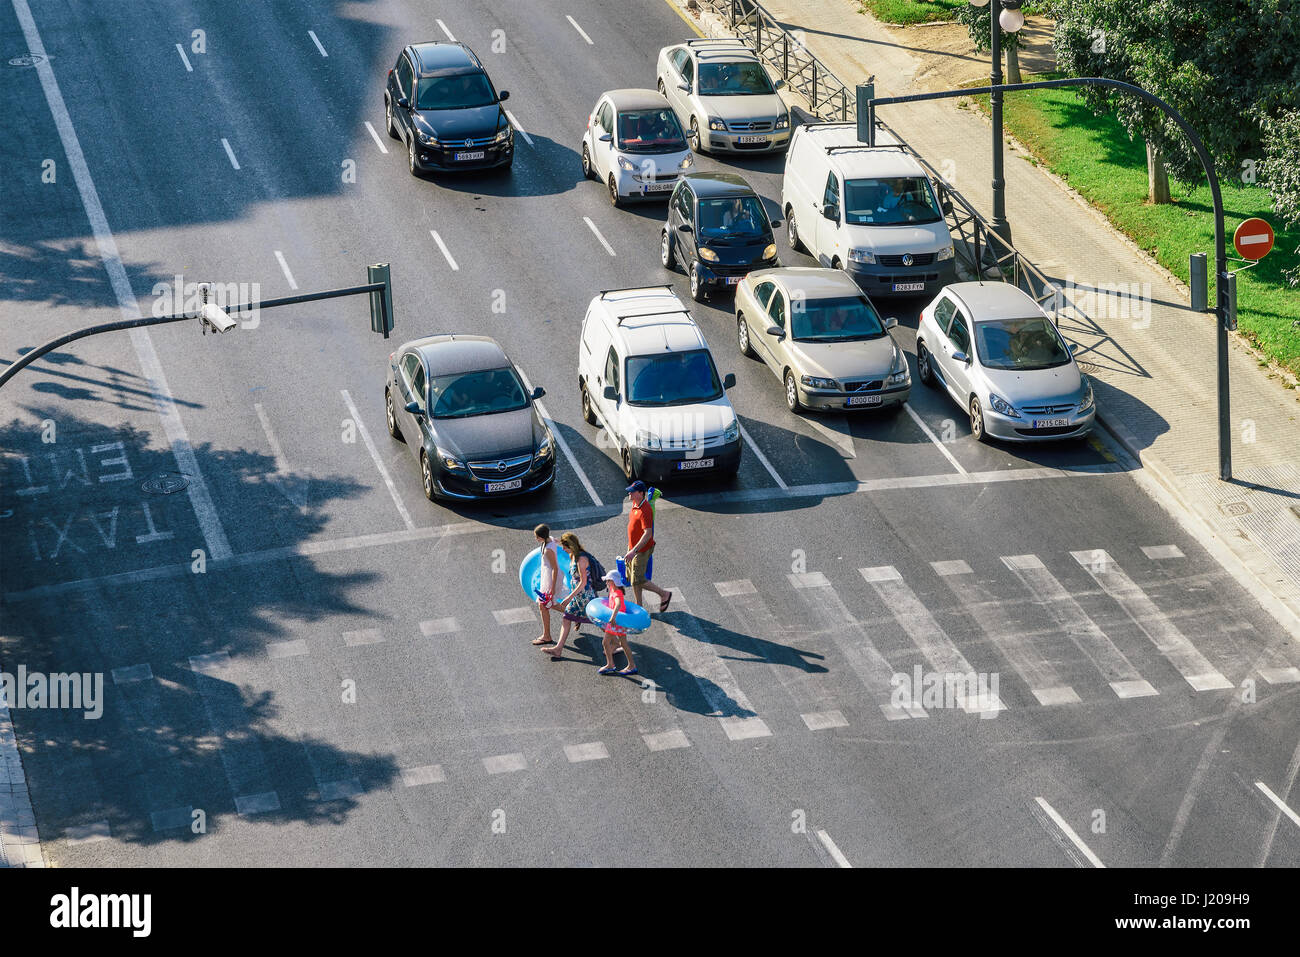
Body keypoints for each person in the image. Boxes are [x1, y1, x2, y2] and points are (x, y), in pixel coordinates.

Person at [543, 532, 603, 660]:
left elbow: (583, 582)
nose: (563, 550)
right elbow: (557, 541)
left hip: (585, 596)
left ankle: (615, 643)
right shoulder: (573, 555)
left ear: (571, 546)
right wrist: (553, 540)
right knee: (566, 618)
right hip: (578, 596)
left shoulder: (581, 559)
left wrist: (569, 597)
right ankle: (558, 649)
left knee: (598, 620)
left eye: (565, 547)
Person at [622, 481, 671, 613]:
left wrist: (634, 551)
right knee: (633, 579)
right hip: (633, 547)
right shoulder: (635, 504)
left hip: (641, 550)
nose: (629, 493)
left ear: (640, 493)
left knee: (638, 580)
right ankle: (639, 607)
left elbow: (648, 533)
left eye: (632, 491)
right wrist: (630, 547)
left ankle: (664, 594)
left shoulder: (645, 510)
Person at [598, 567, 638, 676]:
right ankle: (631, 665)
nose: (606, 582)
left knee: (605, 642)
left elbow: (618, 604)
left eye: (608, 580)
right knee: (623, 643)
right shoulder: (613, 591)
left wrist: (612, 617)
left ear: (613, 582)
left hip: (616, 622)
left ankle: (611, 665)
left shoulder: (616, 593)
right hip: (619, 622)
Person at [530, 524, 561, 646]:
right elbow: (557, 541)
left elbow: (555, 568)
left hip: (549, 580)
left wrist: (552, 588)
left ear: (542, 537)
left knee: (543, 605)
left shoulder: (548, 550)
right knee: (550, 604)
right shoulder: (551, 539)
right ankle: (573, 614)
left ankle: (546, 636)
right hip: (546, 578)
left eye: (537, 537)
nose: (536, 539)